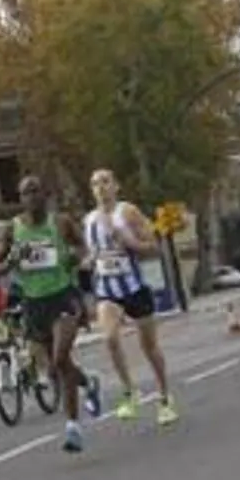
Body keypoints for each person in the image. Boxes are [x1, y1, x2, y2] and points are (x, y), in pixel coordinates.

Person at [0, 174, 94, 453]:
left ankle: (73, 427)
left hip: (63, 296)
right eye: (26, 193)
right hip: (33, 303)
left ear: (45, 195)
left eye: (36, 191)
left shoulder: (60, 222)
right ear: (20, 198)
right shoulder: (12, 229)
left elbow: (82, 246)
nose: (31, 197)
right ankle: (88, 382)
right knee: (55, 369)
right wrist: (7, 260)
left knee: (60, 359)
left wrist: (75, 257)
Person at [82, 169, 179, 427]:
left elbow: (154, 247)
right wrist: (89, 261)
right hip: (107, 290)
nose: (100, 188)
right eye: (95, 184)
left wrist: (130, 243)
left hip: (135, 288)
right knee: (110, 338)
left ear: (116, 186)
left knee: (149, 347)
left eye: (105, 182)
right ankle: (130, 391)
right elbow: (94, 254)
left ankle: (165, 397)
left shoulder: (128, 213)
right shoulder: (89, 220)